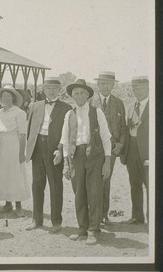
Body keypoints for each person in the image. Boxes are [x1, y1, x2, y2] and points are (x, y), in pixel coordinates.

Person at [61, 79, 112, 244]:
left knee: (95, 193)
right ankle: (82, 228)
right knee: (79, 194)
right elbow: (65, 140)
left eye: (82, 92)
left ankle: (93, 231)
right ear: (72, 96)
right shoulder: (69, 114)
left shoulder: (97, 112)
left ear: (88, 95)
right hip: (76, 157)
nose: (79, 95)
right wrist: (66, 163)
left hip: (95, 157)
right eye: (76, 93)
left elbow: (106, 138)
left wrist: (107, 161)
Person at [25, 77, 71, 233]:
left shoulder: (66, 108)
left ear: (59, 90)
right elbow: (30, 128)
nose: (51, 91)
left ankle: (56, 222)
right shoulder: (34, 106)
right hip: (37, 146)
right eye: (48, 88)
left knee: (55, 185)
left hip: (54, 148)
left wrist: (60, 149)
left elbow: (68, 133)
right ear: (43, 89)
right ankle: (36, 219)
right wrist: (29, 148)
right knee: (37, 184)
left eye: (54, 88)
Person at [90, 71, 127, 226]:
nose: (105, 86)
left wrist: (120, 144)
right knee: (93, 182)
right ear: (97, 85)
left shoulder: (118, 103)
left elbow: (123, 127)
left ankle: (104, 215)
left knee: (106, 180)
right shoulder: (91, 101)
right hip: (94, 149)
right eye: (102, 83)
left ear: (113, 85)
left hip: (111, 150)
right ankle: (94, 216)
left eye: (108, 84)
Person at [0, 84, 30, 218]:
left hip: (14, 145)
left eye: (8, 96)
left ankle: (18, 205)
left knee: (15, 175)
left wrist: (21, 153)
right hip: (1, 145)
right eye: (3, 96)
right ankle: (7, 204)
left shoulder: (19, 113)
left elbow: (23, 134)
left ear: (13, 97)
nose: (6, 99)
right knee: (3, 173)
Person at [121, 76, 149, 224]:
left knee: (150, 184)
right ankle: (137, 216)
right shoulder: (131, 106)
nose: (137, 91)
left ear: (148, 88)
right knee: (134, 183)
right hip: (131, 148)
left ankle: (152, 219)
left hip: (147, 150)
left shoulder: (156, 105)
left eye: (141, 88)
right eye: (135, 88)